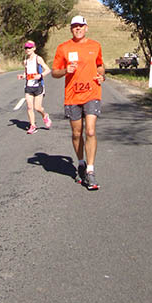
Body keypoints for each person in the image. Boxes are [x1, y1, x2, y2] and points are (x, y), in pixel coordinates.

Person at [51, 15, 105, 190]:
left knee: (90, 131)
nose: (78, 28)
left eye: (81, 26)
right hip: (72, 96)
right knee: (76, 133)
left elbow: (100, 65)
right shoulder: (63, 48)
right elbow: (54, 72)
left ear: (86, 28)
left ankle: (90, 171)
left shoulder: (95, 46)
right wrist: (66, 70)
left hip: (92, 93)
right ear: (71, 29)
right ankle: (81, 163)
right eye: (75, 26)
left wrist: (102, 75)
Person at [21, 40, 51, 134]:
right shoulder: (25, 61)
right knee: (29, 107)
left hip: (38, 86)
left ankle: (45, 116)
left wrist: (40, 75)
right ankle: (33, 126)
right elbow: (26, 73)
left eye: (30, 47)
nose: (28, 49)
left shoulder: (38, 59)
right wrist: (23, 76)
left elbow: (48, 70)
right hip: (28, 86)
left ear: (34, 48)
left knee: (37, 107)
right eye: (26, 48)